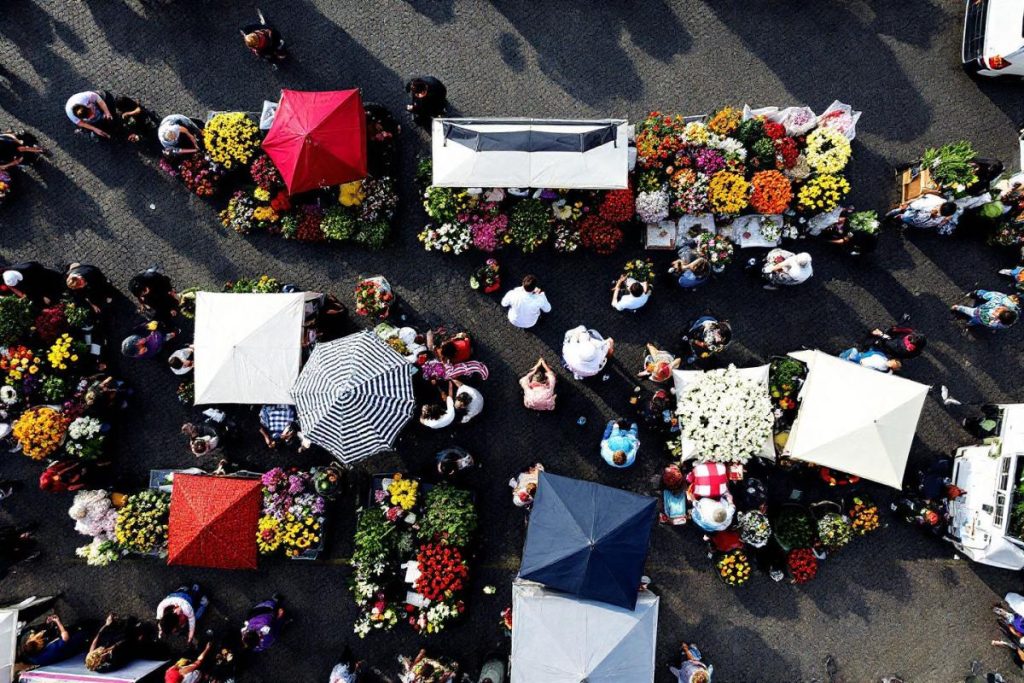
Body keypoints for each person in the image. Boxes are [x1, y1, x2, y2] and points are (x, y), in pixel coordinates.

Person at [20, 614, 86, 666]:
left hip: (58, 645)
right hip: (71, 645)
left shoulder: (30, 652)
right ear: (38, 648)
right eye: (39, 642)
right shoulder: (50, 652)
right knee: (82, 632)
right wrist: (58, 621)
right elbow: (65, 638)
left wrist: (47, 623)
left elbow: (38, 637)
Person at [888, 192, 962, 235]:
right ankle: (901, 218)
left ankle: (899, 217)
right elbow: (941, 224)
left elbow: (913, 204)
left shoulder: (933, 202)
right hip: (922, 225)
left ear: (943, 204)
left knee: (907, 214)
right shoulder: (945, 216)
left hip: (912, 218)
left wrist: (907, 203)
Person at [951, 290, 1020, 329]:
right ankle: (970, 324)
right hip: (982, 318)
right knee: (976, 320)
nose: (998, 308)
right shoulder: (1004, 324)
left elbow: (989, 295)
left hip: (977, 312)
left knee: (968, 311)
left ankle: (957, 307)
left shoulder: (998, 300)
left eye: (998, 310)